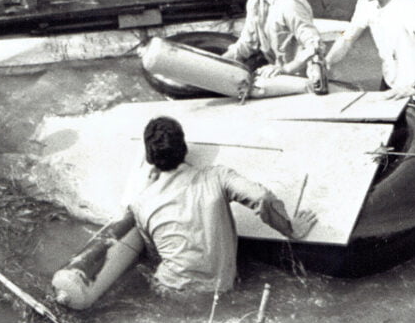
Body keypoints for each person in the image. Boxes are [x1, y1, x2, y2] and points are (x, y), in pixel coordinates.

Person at [128, 115, 316, 293]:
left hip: (168, 288)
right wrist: (289, 229)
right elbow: (261, 197)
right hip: (217, 289)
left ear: (150, 159)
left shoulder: (140, 203)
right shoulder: (216, 177)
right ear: (184, 149)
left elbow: (155, 253)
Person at [222, 0, 322, 92]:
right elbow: (246, 44)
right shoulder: (254, 1)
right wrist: (219, 62)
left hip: (299, 76)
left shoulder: (290, 4)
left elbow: (314, 46)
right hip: (275, 69)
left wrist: (285, 69)